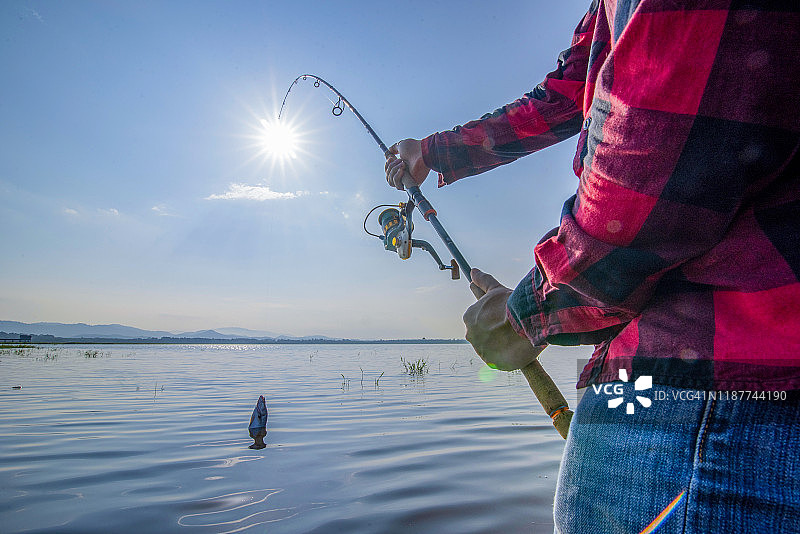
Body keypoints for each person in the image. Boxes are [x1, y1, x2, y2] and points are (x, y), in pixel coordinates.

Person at [385, 0, 800, 532]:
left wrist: (525, 317)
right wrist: (435, 152)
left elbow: (657, 161)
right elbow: (572, 86)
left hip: (702, 399)